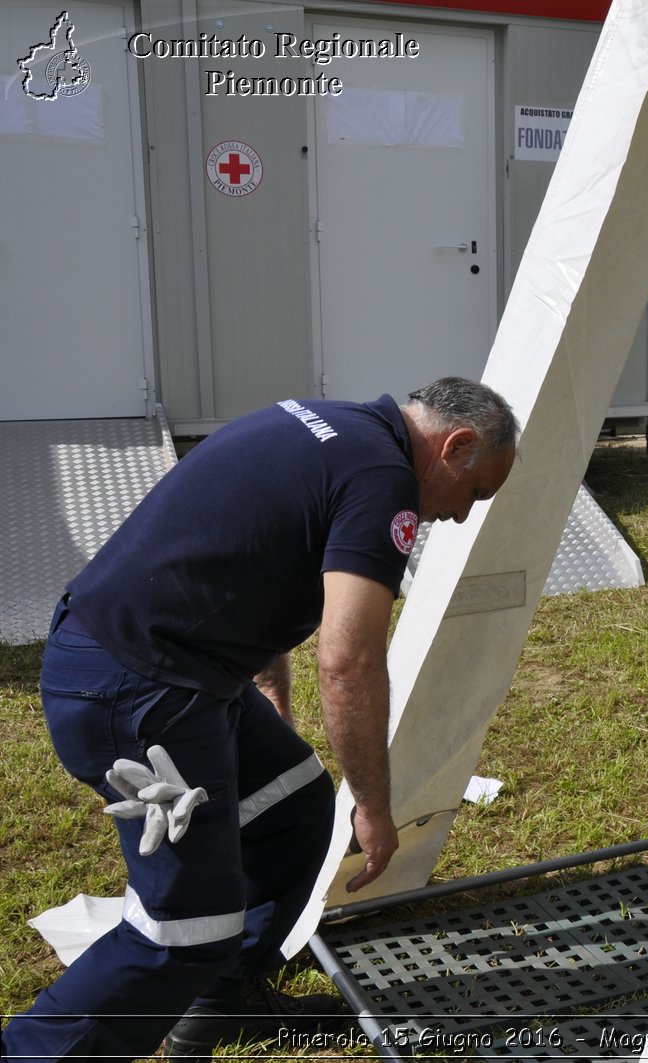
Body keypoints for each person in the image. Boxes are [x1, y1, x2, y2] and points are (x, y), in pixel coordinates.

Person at [2, 377, 519, 1061]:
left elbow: (255, 558)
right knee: (184, 928)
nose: (459, 516)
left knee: (292, 809)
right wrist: (372, 801)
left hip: (166, 665)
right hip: (135, 686)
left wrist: (268, 693)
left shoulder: (331, 426)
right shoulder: (383, 478)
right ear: (454, 445)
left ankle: (224, 1002)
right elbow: (348, 660)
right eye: (474, 492)